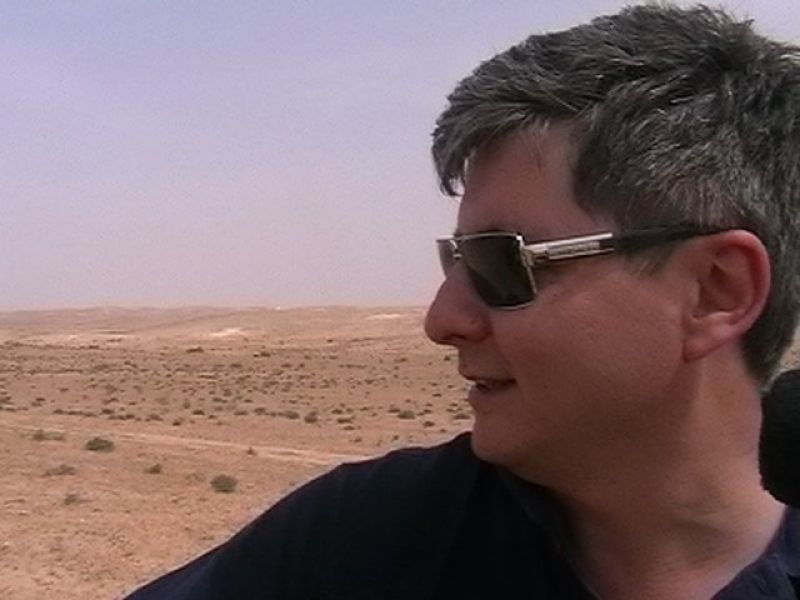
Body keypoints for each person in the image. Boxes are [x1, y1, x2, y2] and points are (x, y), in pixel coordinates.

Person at [127, 4, 800, 599]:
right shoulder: (366, 542)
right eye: (457, 260)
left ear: (716, 291)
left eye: (501, 263)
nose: (442, 321)